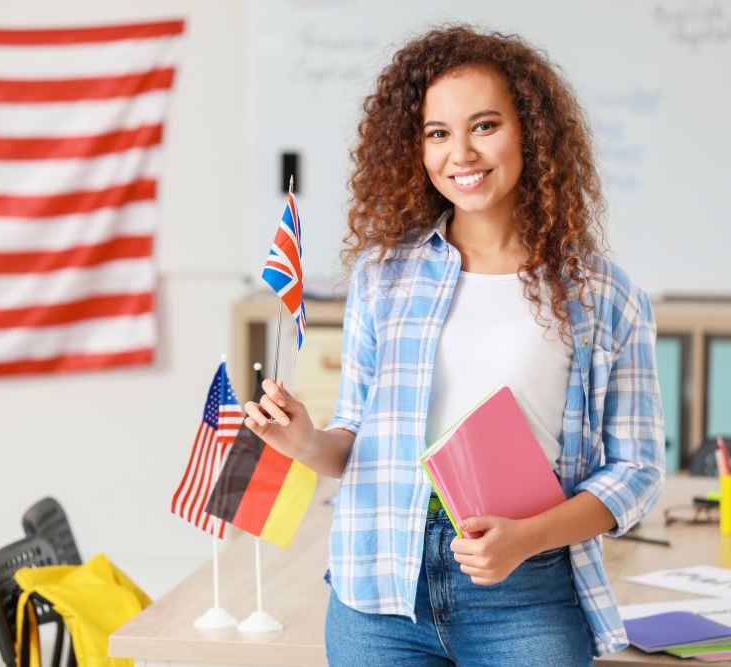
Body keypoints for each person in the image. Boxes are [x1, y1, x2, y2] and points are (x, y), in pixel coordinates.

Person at [243, 24, 665, 667]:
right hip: (380, 595)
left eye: (485, 125)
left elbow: (636, 471)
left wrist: (525, 539)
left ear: (531, 131)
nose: (460, 153)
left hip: (524, 593)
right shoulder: (384, 277)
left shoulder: (603, 296)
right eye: (438, 133)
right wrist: (307, 443)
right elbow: (352, 438)